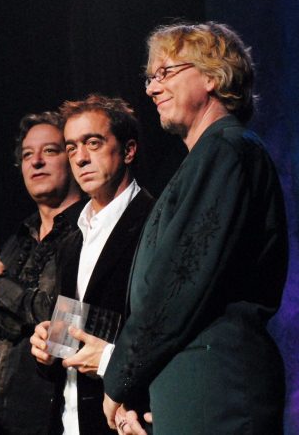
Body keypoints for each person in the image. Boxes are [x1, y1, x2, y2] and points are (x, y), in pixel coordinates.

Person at [102, 22, 288, 434]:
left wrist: (121, 379)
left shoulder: (226, 149)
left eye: (165, 72)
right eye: (150, 78)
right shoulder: (208, 157)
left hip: (217, 385)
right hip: (193, 385)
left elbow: (180, 279)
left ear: (212, 76)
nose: (152, 88)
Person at [0, 111, 83, 434]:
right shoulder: (17, 240)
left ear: (72, 158)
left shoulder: (86, 233)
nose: (36, 162)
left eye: (50, 151)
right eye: (27, 155)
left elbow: (69, 328)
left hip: (55, 421)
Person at [28, 95, 154, 435]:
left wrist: (111, 359)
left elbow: (165, 332)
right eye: (71, 148)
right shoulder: (72, 236)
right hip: (68, 421)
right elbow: (66, 340)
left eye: (93, 143)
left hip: (126, 420)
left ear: (128, 150)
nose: (80, 157)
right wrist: (46, 350)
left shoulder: (154, 223)